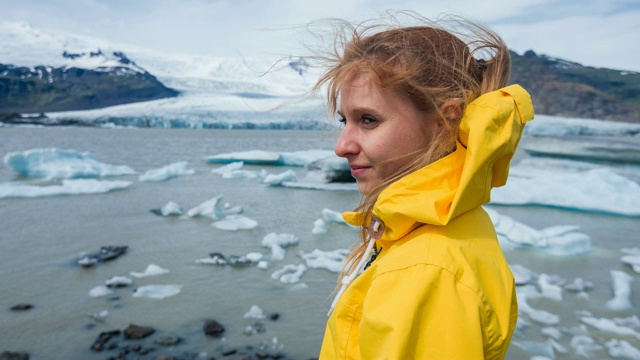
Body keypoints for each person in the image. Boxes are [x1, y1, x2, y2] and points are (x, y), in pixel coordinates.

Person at [313, 13, 534, 360]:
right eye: (345, 120)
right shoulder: (442, 226)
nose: (342, 146)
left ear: (446, 120)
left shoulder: (426, 272)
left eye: (368, 120)